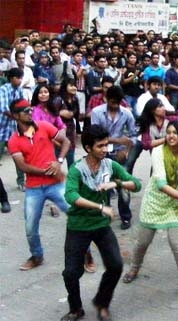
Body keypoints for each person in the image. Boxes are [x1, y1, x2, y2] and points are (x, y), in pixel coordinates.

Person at [60, 125, 141, 321]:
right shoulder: (77, 169)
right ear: (88, 148)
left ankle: (102, 302)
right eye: (100, 146)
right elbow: (71, 196)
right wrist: (100, 207)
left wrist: (117, 183)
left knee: (115, 266)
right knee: (71, 273)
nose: (106, 149)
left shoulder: (110, 165)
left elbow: (136, 184)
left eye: (106, 145)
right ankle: (76, 308)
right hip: (78, 226)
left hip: (101, 226)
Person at [122, 120, 178, 299]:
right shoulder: (158, 151)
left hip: (175, 204)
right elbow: (161, 184)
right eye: (168, 132)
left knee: (177, 244)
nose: (170, 136)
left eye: (175, 133)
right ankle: (134, 268)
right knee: (143, 242)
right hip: (156, 200)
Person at [7, 98, 71, 270]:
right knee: (30, 227)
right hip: (34, 187)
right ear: (15, 116)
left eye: (30, 109)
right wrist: (47, 171)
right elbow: (22, 166)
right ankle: (37, 256)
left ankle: (86, 254)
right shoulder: (13, 140)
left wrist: (58, 161)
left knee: (76, 215)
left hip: (55, 184)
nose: (29, 113)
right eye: (24, 111)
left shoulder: (44, 126)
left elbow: (66, 141)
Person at [91, 86, 137, 230]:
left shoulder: (127, 114)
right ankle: (105, 214)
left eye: (118, 102)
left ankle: (125, 217)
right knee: (103, 185)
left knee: (124, 185)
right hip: (101, 154)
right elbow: (95, 136)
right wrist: (118, 141)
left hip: (120, 154)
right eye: (112, 102)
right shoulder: (97, 112)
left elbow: (133, 136)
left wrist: (127, 150)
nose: (115, 106)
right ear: (106, 99)